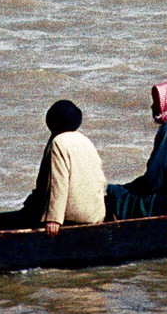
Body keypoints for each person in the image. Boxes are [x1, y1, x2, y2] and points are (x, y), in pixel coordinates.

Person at [105, 81, 167, 221]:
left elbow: (154, 179)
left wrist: (127, 189)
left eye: (156, 102)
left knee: (120, 195)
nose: (152, 106)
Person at [19, 99, 107, 236]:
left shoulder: (58, 143)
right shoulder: (86, 141)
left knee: (25, 217)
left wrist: (54, 219)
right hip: (95, 215)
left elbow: (58, 183)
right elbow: (100, 179)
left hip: (73, 218)